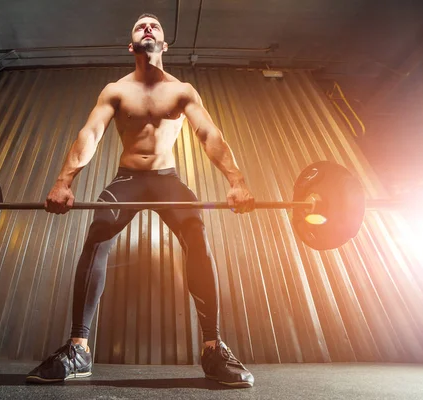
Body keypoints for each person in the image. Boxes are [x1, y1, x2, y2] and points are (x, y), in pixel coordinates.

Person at [26, 13, 255, 388]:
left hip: (168, 181)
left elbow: (209, 134)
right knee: (97, 237)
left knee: (197, 239)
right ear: (132, 46)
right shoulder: (115, 90)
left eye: (155, 26)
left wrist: (237, 181)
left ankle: (213, 349)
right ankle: (79, 349)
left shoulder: (182, 90)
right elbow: (90, 135)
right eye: (140, 26)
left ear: (164, 45)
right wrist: (63, 182)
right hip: (127, 180)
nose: (148, 27)